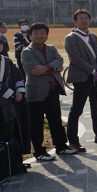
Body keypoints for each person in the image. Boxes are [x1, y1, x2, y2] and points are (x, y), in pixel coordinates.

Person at [21, 22, 77, 160]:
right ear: (30, 36)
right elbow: (34, 71)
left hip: (53, 90)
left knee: (56, 120)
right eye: (36, 33)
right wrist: (53, 68)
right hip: (36, 93)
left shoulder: (51, 48)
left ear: (46, 35)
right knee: (37, 123)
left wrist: (46, 68)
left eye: (42, 33)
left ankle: (61, 147)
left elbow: (60, 60)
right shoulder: (27, 52)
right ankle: (39, 152)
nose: (39, 36)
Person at [64, 9, 97, 151]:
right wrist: (93, 70)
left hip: (96, 77)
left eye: (86, 18)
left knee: (96, 107)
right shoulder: (70, 38)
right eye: (80, 18)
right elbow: (76, 58)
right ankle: (73, 141)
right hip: (81, 77)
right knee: (77, 109)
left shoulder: (93, 36)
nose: (84, 20)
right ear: (75, 21)